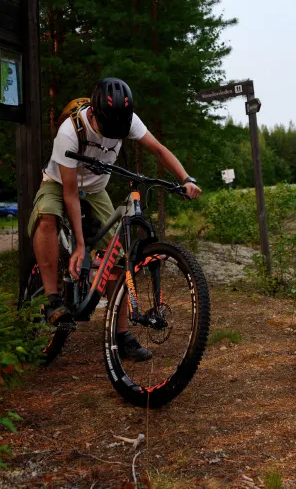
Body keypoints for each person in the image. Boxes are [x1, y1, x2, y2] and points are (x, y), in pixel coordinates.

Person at [29, 78, 201, 361]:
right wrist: (81, 245)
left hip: (96, 188)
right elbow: (70, 194)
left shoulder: (126, 119)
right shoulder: (69, 132)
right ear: (94, 114)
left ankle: (120, 334)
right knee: (47, 218)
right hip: (61, 183)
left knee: (118, 257)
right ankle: (51, 299)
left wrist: (185, 178)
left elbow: (157, 148)